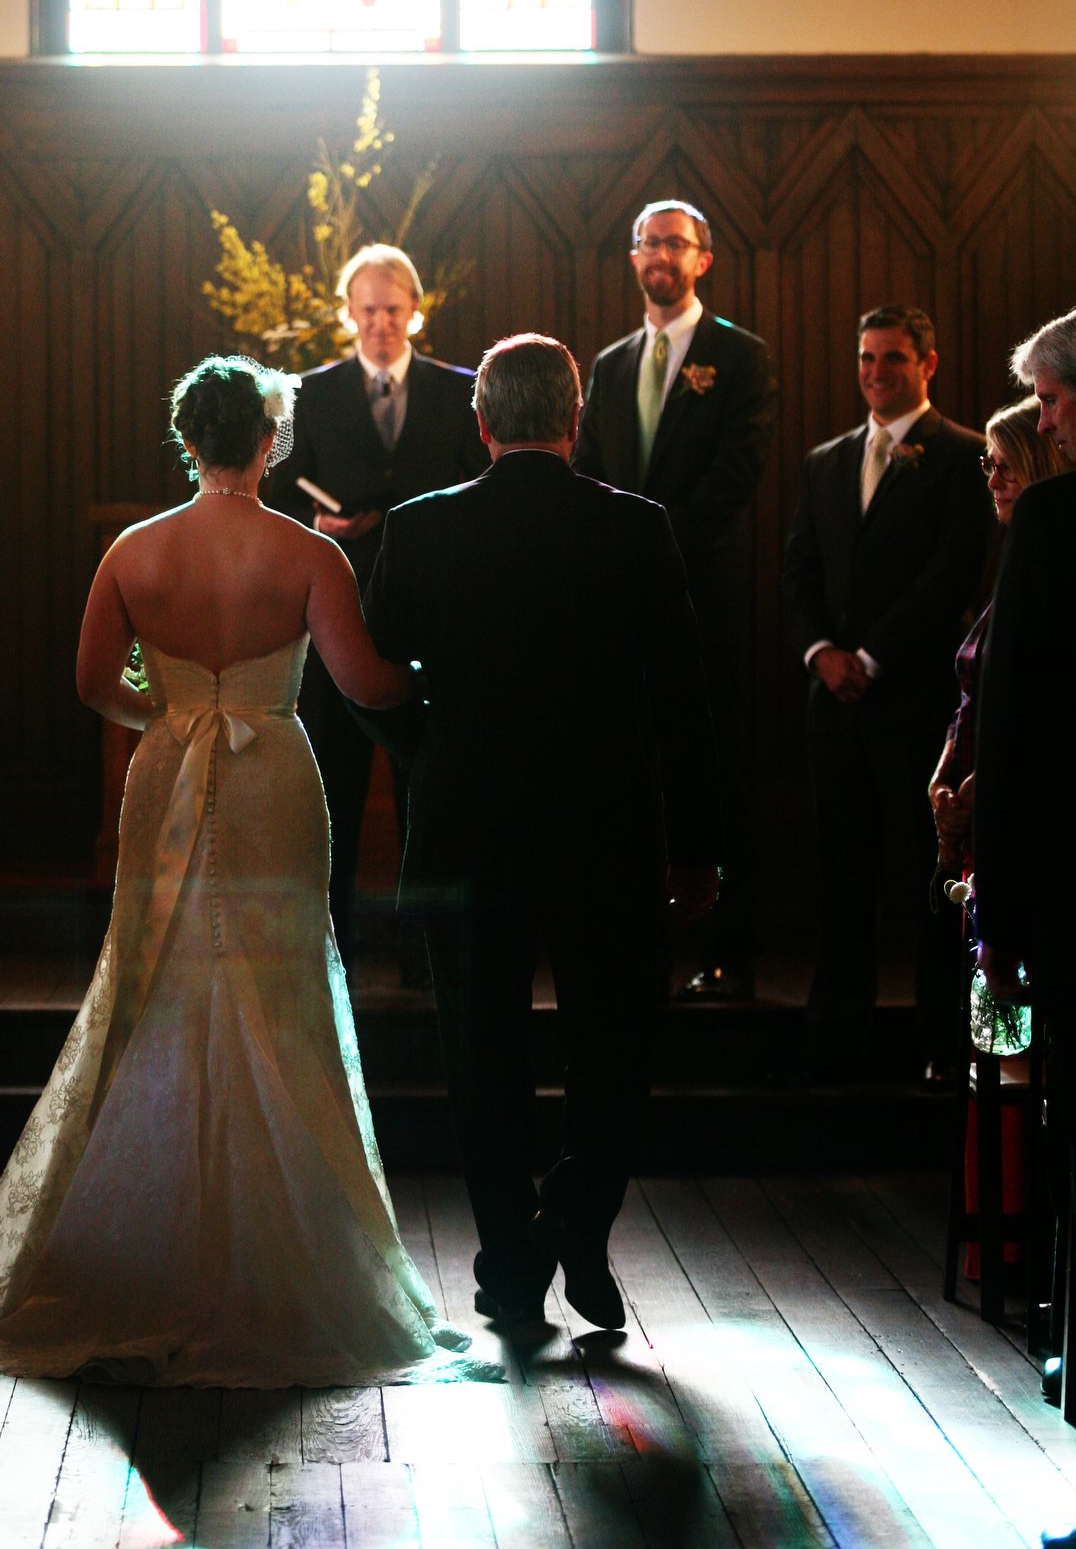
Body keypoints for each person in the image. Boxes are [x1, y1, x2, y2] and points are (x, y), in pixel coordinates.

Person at [0, 356, 475, 1385]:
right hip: (273, 780)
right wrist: (449, 670)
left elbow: (93, 685)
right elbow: (364, 682)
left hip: (166, 769)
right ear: (270, 442)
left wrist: (172, 720)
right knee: (279, 985)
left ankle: (137, 1239)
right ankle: (285, 1249)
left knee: (155, 982)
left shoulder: (134, 551)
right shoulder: (308, 554)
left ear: (187, 441)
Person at [364, 334, 721, 1330]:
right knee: (616, 1044)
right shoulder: (636, 529)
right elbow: (685, 703)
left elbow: (372, 672)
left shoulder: (421, 528)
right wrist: (697, 845)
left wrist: (425, 748)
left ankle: (512, 1260)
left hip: (467, 826)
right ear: (576, 422)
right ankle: (574, 1214)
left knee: (481, 1053)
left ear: (482, 424)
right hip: (605, 828)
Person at [781, 305, 990, 1082]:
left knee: (929, 877)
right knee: (839, 873)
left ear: (926, 365)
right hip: (832, 705)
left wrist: (869, 656)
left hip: (915, 701)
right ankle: (836, 1035)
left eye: (893, 359)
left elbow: (951, 576)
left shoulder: (961, 456)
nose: (876, 372)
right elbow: (799, 570)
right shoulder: (827, 460)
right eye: (866, 358)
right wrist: (821, 654)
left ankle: (939, 1039)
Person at [572, 198, 775, 999]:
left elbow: (738, 472)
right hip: (620, 600)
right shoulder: (613, 362)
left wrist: (650, 545)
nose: (660, 254)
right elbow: (588, 468)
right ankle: (636, 945)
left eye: (675, 243)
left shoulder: (740, 356)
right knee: (630, 762)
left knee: (717, 761)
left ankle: (731, 947)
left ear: (704, 259)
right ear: (633, 258)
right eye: (648, 243)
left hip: (706, 589)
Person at [268, 243, 487, 971]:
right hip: (340, 611)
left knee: (430, 785)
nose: (381, 324)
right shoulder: (310, 392)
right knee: (335, 780)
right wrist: (318, 528)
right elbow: (275, 494)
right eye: (367, 311)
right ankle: (329, 948)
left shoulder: (459, 389)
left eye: (393, 311)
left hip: (432, 613)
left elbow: (484, 486)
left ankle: (424, 947)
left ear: (414, 312)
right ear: (347, 314)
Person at [972, 309, 1076, 1468]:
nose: (1044, 425)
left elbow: (1021, 733)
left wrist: (998, 922)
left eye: (1050, 404)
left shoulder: (1053, 523)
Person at [926, 394, 1068, 878]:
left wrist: (986, 781)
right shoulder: (1012, 559)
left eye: (1007, 468)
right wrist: (942, 778)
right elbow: (976, 691)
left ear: (1041, 461)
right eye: (990, 464)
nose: (992, 481)